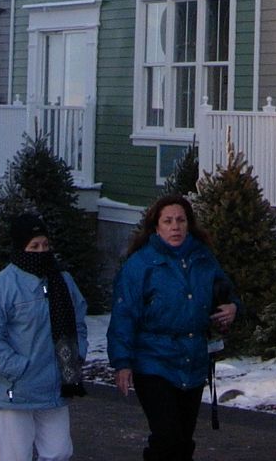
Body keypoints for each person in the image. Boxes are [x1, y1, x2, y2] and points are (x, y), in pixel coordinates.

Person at [108, 195, 237, 461]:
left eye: (180, 220)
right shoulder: (141, 264)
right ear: (156, 227)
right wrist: (122, 362)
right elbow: (124, 314)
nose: (175, 226)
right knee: (167, 438)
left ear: (189, 224)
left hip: (193, 358)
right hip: (154, 359)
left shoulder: (203, 258)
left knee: (182, 442)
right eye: (168, 221)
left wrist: (233, 308)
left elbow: (225, 291)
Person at [0, 212, 89, 461]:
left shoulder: (63, 281)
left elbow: (78, 321)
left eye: (45, 245)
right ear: (20, 247)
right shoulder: (2, 286)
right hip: (17, 390)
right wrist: (17, 368)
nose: (41, 251)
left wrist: (76, 355)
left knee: (59, 452)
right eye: (34, 246)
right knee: (16, 456)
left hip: (56, 386)